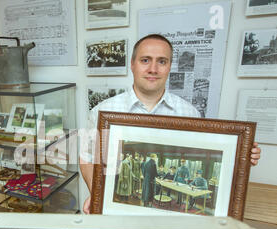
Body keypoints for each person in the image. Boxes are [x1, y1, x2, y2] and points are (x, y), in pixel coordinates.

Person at [79, 33, 262, 214]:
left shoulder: (190, 113)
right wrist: (97, 193)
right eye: (145, 60)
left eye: (162, 61)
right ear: (132, 65)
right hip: (116, 214)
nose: (153, 69)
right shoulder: (102, 111)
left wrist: (242, 155)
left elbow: (213, 152)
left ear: (169, 67)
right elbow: (86, 158)